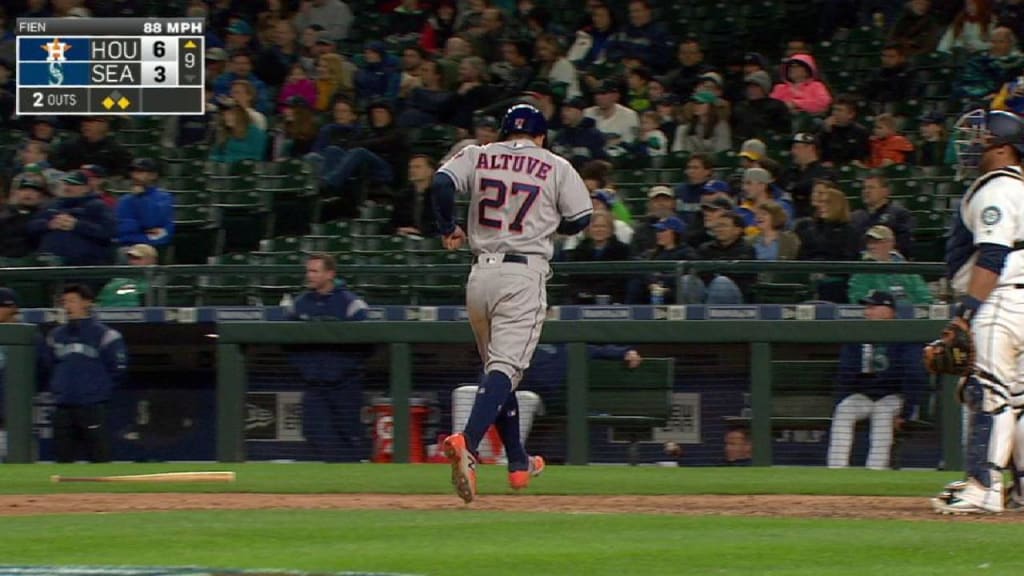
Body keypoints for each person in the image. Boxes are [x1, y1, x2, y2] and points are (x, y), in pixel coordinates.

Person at [431, 103, 593, 502]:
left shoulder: (480, 153)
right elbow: (582, 218)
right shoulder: (554, 164)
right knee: (505, 368)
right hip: (523, 274)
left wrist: (446, 226)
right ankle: (468, 441)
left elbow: (439, 184)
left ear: (504, 132)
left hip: (479, 275)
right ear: (540, 136)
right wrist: (549, 219)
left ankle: (519, 463)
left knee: (496, 372)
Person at [932, 109, 1024, 514]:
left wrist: (966, 313)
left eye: (980, 138)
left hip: (1001, 298)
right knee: (1018, 399)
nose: (970, 144)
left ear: (1003, 149)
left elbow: (992, 253)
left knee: (987, 391)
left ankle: (983, 486)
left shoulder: (997, 187)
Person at [827, 290, 928, 470]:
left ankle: (875, 471)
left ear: (889, 311)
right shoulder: (857, 335)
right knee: (844, 410)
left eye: (873, 307)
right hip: (863, 396)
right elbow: (844, 374)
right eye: (867, 307)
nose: (867, 311)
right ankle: (836, 469)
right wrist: (840, 399)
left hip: (893, 396)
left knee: (882, 412)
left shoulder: (906, 334)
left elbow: (914, 375)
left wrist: (906, 412)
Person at [286, 253, 370, 462]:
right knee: (313, 430)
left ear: (330, 273)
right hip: (314, 384)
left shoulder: (351, 303)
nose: (309, 275)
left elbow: (368, 342)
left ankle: (353, 478)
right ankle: (331, 474)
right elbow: (287, 342)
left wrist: (345, 368)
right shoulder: (299, 304)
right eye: (308, 270)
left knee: (349, 434)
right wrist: (307, 368)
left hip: (345, 384)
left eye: (315, 271)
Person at [41, 284, 127, 463]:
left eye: (72, 301)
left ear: (87, 302)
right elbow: (48, 367)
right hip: (63, 406)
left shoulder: (106, 335)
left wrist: (97, 391)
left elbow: (118, 370)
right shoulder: (55, 335)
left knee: (99, 458)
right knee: (63, 460)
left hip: (92, 407)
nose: (67, 306)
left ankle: (104, 493)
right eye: (64, 302)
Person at [28, 170, 116, 266]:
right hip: (47, 260)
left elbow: (108, 231)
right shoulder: (52, 205)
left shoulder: (97, 206)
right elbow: (32, 226)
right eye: (66, 183)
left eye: (74, 184)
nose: (67, 187)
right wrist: (49, 224)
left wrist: (76, 225)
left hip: (85, 262)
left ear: (86, 188)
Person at [848, 225, 933, 304]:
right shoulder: (863, 270)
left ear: (890, 243)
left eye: (877, 242)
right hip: (879, 316)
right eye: (869, 242)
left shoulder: (907, 269)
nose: (871, 246)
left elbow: (924, 296)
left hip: (909, 314)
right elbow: (857, 297)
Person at [567, 211, 631, 304]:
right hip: (584, 299)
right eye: (595, 226)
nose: (599, 230)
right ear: (589, 229)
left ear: (610, 230)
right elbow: (574, 280)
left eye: (603, 226)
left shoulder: (622, 250)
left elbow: (621, 279)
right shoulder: (579, 250)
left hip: (613, 299)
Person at [850, 174, 914, 257]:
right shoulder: (855, 216)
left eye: (871, 187)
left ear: (885, 191)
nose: (866, 191)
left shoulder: (899, 214)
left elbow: (904, 243)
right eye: (864, 188)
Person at [116, 158, 174, 250]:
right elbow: (123, 232)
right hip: (129, 248)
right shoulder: (125, 200)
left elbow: (158, 227)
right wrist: (146, 235)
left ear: (153, 175)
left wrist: (141, 198)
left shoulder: (164, 197)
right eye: (133, 171)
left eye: (140, 172)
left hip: (156, 249)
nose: (135, 175)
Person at [0, 176, 47, 260]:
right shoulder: (4, 216)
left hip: (33, 263)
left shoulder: (45, 217)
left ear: (41, 197)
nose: (28, 194)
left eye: (34, 191)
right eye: (24, 190)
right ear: (16, 193)